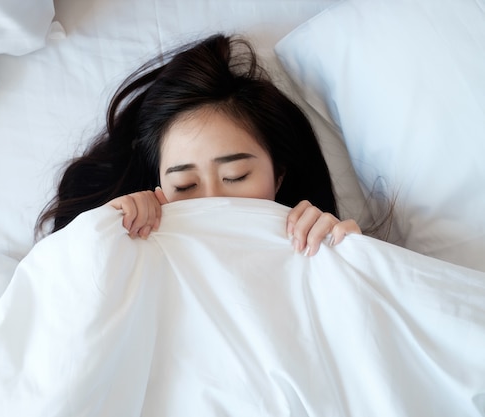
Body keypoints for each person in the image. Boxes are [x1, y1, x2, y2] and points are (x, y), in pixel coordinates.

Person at [37, 34, 361, 256]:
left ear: (278, 175)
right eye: (185, 184)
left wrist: (352, 261)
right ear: (159, 188)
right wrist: (100, 237)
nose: (213, 201)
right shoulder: (127, 253)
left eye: (235, 176)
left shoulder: (321, 253)